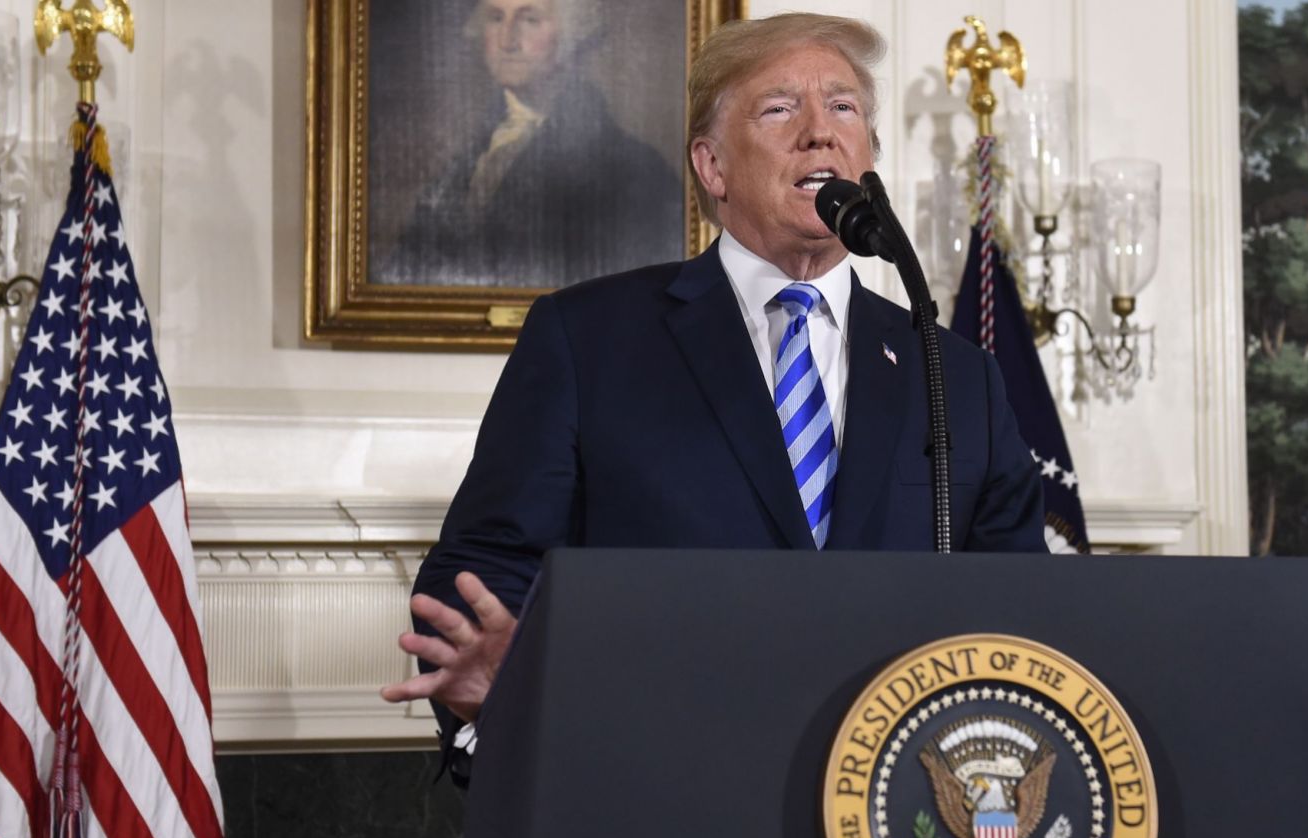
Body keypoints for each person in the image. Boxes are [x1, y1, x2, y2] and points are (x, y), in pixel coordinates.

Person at [379, 13, 1044, 755]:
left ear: (869, 159)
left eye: (844, 107)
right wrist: (497, 695)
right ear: (712, 167)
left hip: (892, 812)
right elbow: (486, 570)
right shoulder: (587, 341)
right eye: (780, 107)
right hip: (659, 782)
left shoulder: (956, 375)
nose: (820, 131)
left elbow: (1024, 615)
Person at [379, 0, 682, 289]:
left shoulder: (635, 171)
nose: (507, 41)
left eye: (529, 20)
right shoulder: (467, 161)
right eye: (496, 18)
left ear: (573, 34)